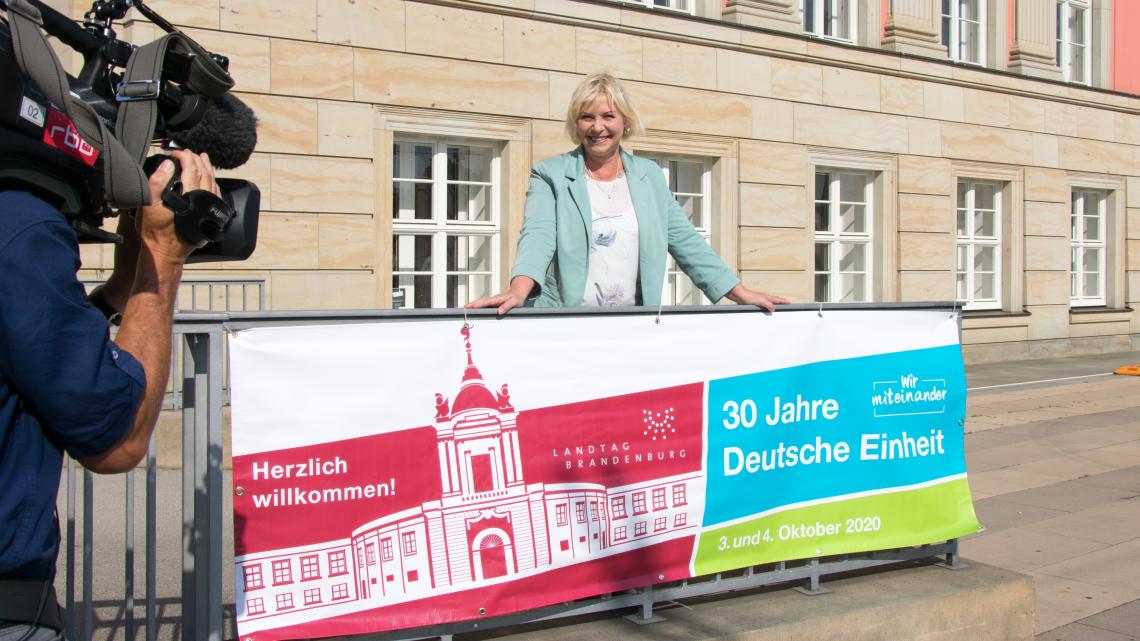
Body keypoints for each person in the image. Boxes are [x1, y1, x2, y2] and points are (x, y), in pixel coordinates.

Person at [0, 150, 216, 640]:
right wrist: (162, 259)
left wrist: (120, 289)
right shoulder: (16, 223)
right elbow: (116, 438)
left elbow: (33, 352)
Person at [468, 72, 788, 314]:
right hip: (564, 324)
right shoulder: (550, 174)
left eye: (608, 116)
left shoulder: (649, 177)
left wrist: (738, 291)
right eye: (587, 117)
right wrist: (518, 291)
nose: (597, 127)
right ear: (576, 124)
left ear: (625, 122)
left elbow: (686, 242)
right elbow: (537, 236)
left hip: (633, 327)